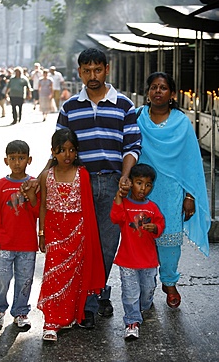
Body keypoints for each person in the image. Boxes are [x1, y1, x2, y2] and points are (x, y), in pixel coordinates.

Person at [54, 48, 142, 326]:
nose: (93, 76)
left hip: (115, 184)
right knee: (80, 244)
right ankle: (88, 302)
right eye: (87, 71)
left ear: (107, 69)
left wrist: (125, 177)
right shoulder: (69, 107)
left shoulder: (124, 105)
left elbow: (132, 145)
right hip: (79, 183)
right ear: (79, 72)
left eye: (98, 70)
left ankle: (96, 295)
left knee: (106, 245)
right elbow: (58, 149)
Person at [136, 72, 210, 309]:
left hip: (172, 192)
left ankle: (169, 282)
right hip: (142, 192)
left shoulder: (181, 123)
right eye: (154, 87)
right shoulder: (138, 119)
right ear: (148, 92)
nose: (158, 91)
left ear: (172, 94)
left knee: (169, 243)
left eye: (163, 88)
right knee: (141, 239)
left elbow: (190, 162)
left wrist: (190, 196)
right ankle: (145, 288)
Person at [37, 128, 105, 341]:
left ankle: (69, 317)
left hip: (78, 232)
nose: (67, 155)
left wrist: (87, 235)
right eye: (61, 150)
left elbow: (87, 208)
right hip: (54, 230)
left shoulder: (82, 174)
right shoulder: (47, 176)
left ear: (77, 152)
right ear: (53, 152)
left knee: (75, 277)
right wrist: (41, 233)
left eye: (71, 150)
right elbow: (43, 206)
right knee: (54, 275)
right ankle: (51, 322)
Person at [0, 140, 40, 329]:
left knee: (25, 280)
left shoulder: (33, 184)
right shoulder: (1, 185)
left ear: (29, 159)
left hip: (27, 244)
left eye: (21, 158)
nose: (17, 162)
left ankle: (21, 312)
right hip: (5, 242)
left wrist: (32, 196)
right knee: (1, 277)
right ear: (5, 160)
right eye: (13, 158)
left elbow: (37, 212)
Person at [110, 163, 165, 340]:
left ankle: (144, 306)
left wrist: (155, 227)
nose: (143, 188)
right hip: (128, 259)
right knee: (130, 292)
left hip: (148, 260)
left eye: (148, 184)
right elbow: (115, 217)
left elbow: (161, 225)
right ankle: (132, 321)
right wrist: (119, 196)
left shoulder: (153, 207)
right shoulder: (124, 204)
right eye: (139, 183)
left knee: (148, 289)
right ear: (131, 183)